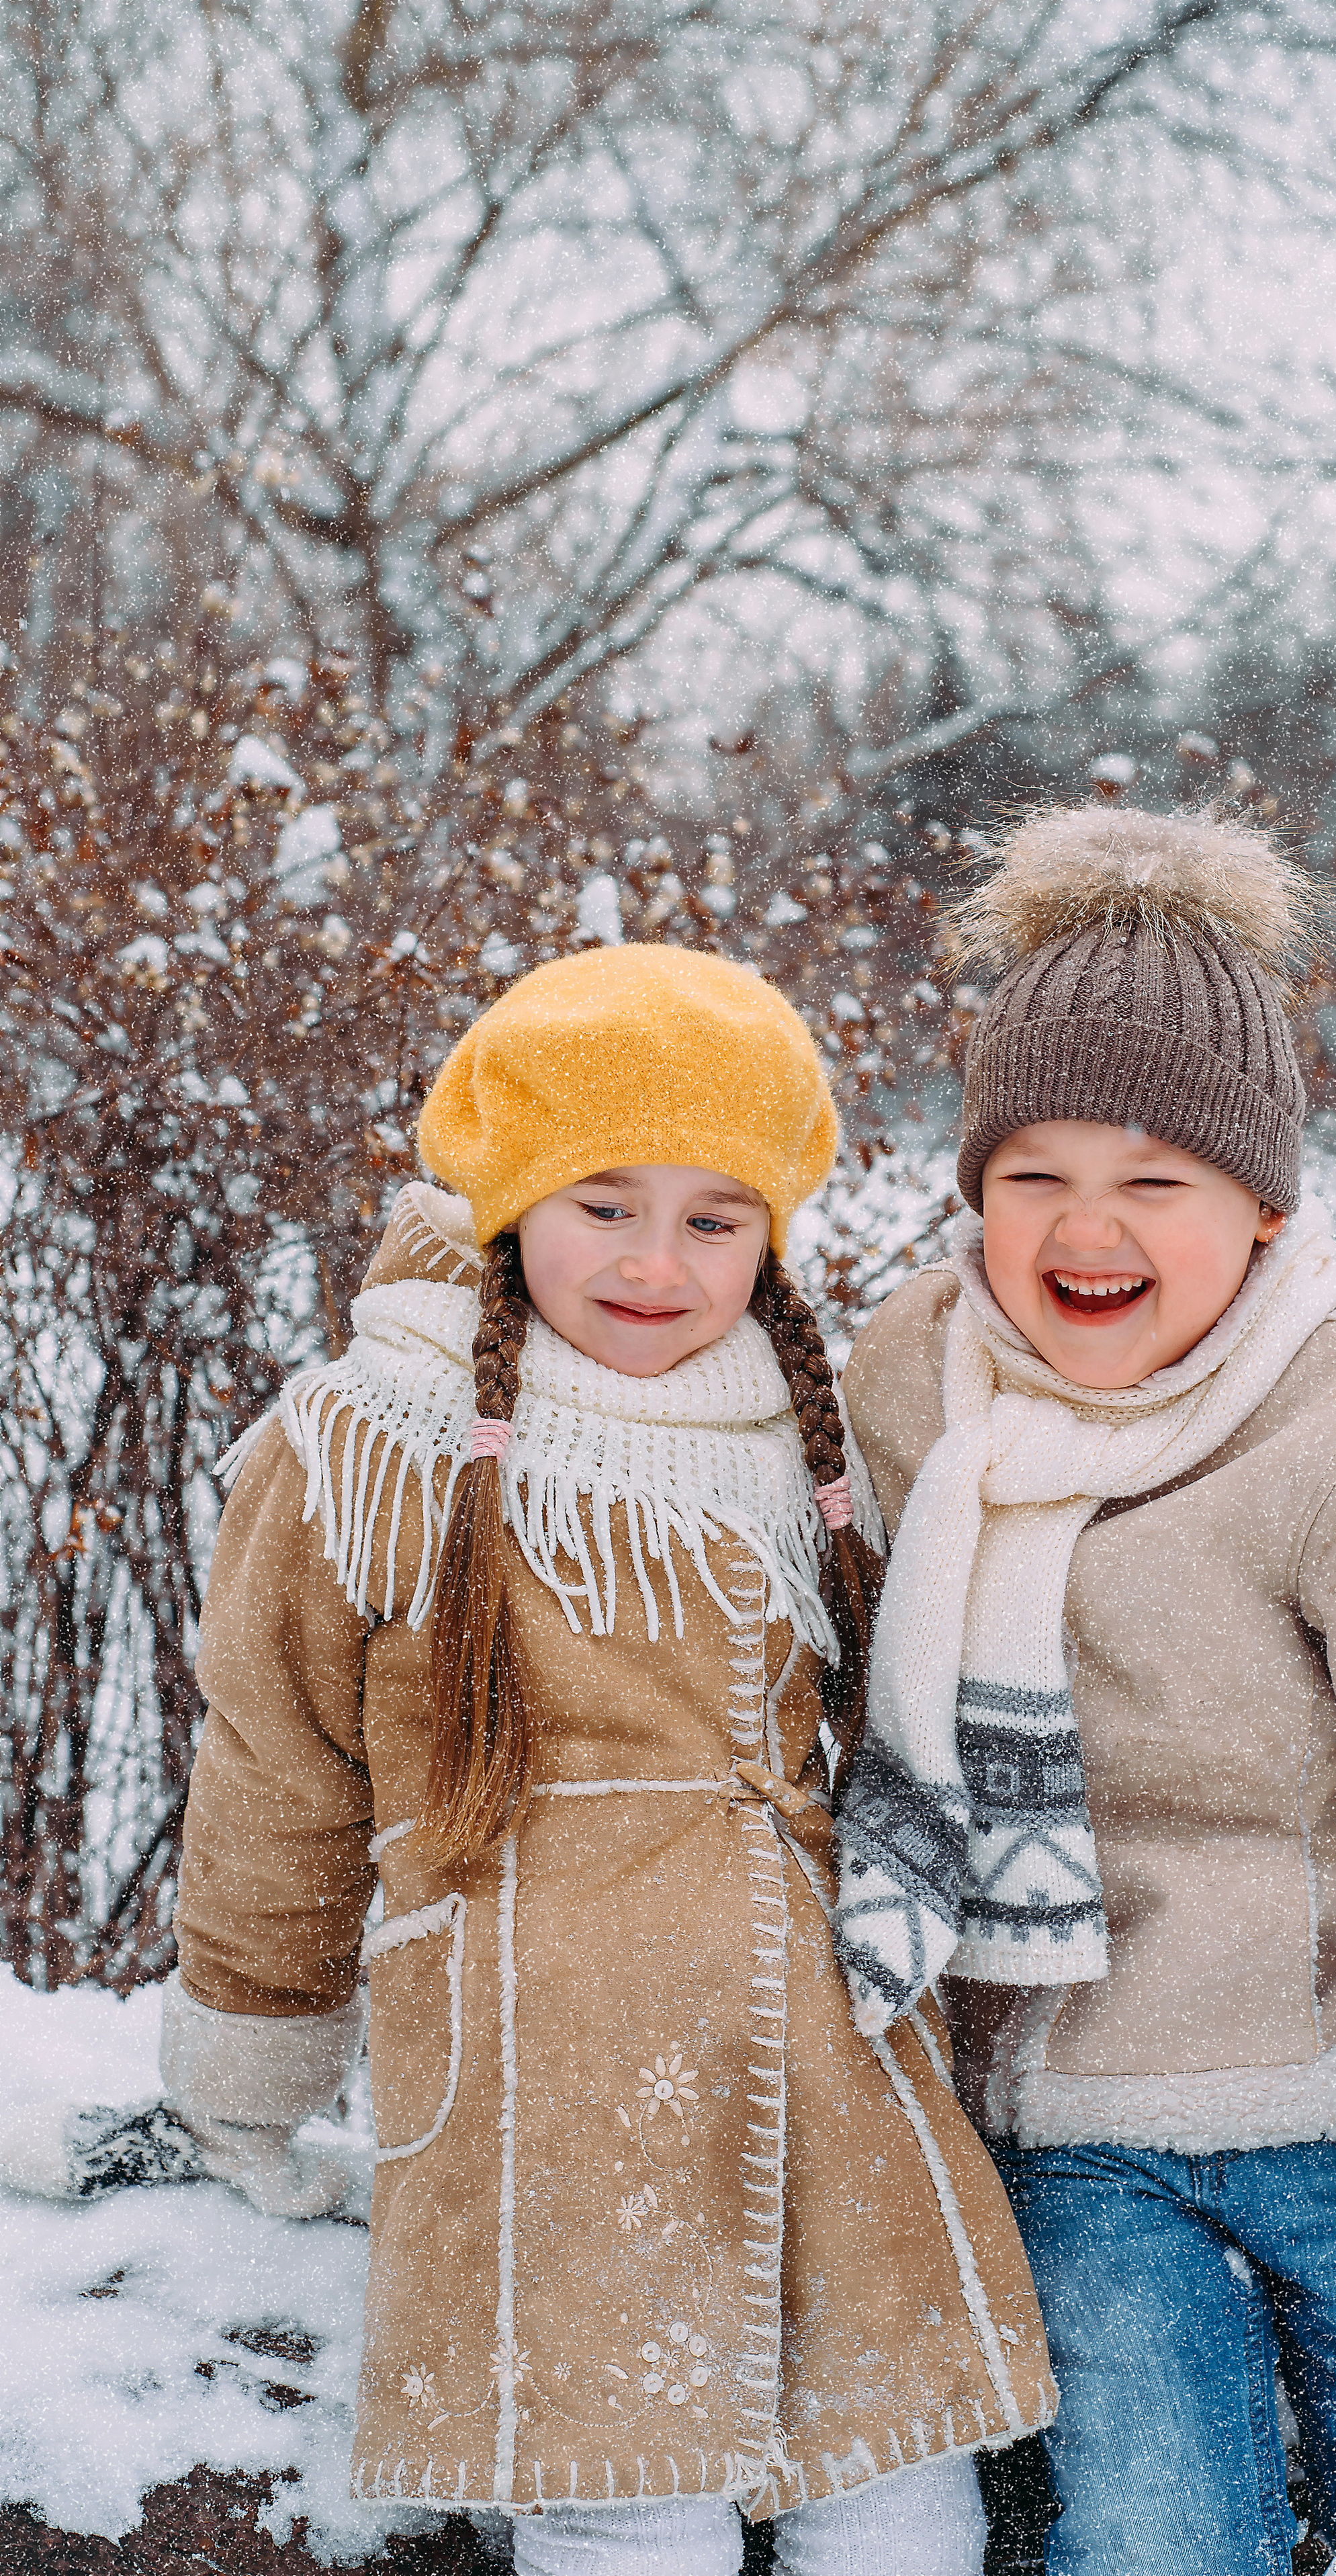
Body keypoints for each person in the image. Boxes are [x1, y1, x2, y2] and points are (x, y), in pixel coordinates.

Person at [1, 947, 1055, 2575]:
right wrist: (252, 2067)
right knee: (627, 2494)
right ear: (506, 1200)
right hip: (540, 2077)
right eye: (602, 1203)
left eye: (716, 1218)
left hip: (822, 2059)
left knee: (892, 2477)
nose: (657, 1263)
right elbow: (279, 1776)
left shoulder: (798, 1430)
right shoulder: (373, 1436)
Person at [832, 809, 1336, 2576]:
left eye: (1154, 1180)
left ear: (1262, 1203)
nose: (1085, 1228)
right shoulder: (912, 1389)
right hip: (1078, 2127)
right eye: (1032, 1174)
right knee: (1156, 2546)